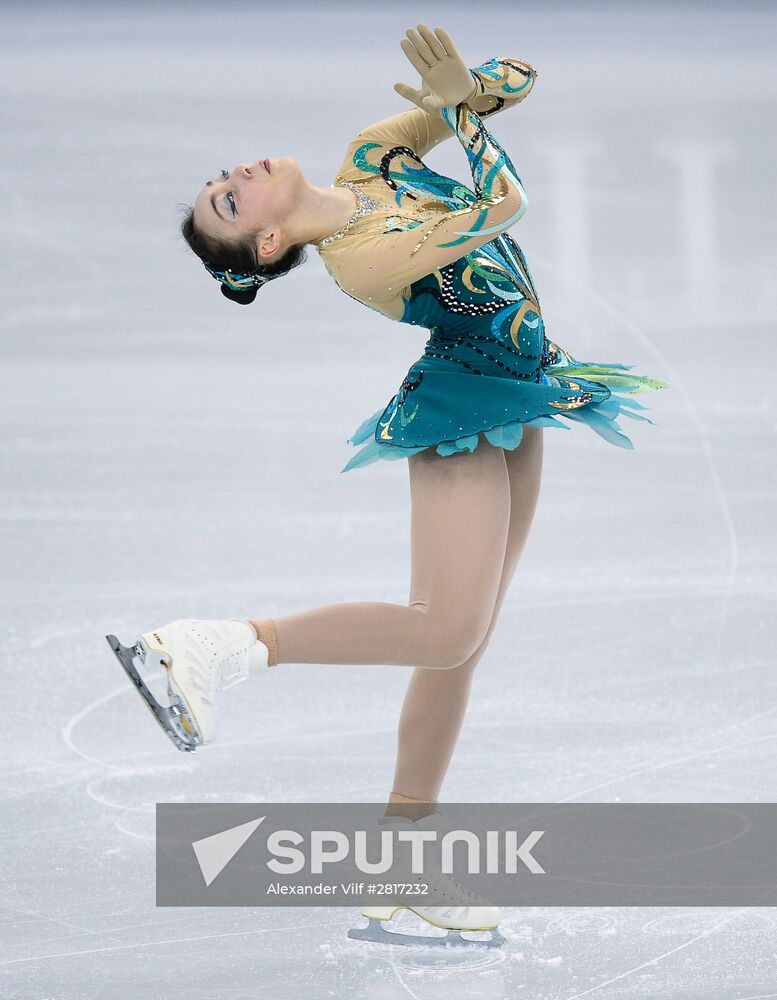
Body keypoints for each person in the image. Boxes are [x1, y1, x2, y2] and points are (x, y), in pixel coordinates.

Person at [106, 24, 669, 946]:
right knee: (444, 626)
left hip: (520, 386)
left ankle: (404, 859)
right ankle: (211, 646)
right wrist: (459, 105)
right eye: (229, 198)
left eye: (226, 177)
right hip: (457, 408)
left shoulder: (370, 157)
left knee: (462, 641)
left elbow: (513, 81)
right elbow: (504, 204)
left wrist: (467, 90)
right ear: (271, 236)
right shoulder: (361, 260)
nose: (237, 174)